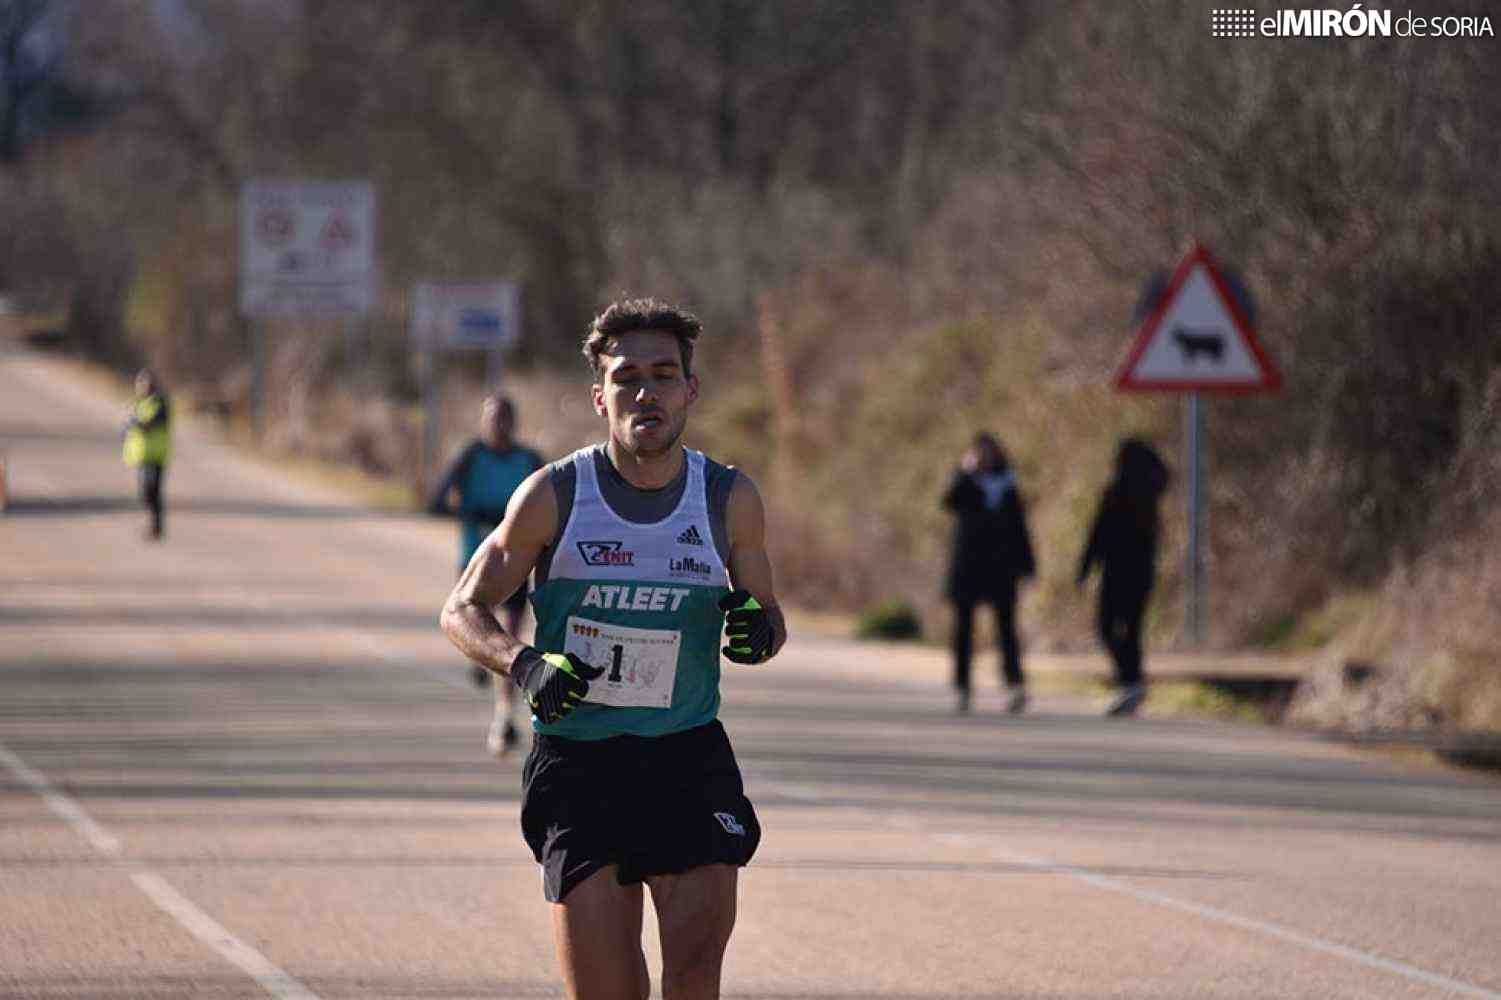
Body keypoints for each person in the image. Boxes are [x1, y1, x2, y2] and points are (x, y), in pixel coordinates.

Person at [439, 298, 785, 999]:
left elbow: (768, 617)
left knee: (693, 980)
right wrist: (525, 664)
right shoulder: (554, 496)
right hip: (580, 766)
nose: (645, 392)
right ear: (600, 397)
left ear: (690, 390)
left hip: (687, 756)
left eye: (663, 374)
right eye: (627, 377)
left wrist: (758, 633)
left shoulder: (727, 499)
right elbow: (461, 608)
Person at [428, 393, 545, 756]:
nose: (498, 425)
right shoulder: (469, 456)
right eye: (492, 418)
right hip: (476, 558)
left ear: (514, 422)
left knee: (509, 636)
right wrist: (470, 516)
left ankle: (503, 717)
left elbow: (554, 506)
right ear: (483, 421)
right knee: (478, 622)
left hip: (517, 560)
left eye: (505, 418)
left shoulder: (531, 461)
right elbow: (437, 500)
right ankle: (479, 657)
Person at [942, 433, 1037, 714]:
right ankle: (962, 686)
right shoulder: (964, 481)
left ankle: (1014, 684)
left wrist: (1027, 564)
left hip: (1001, 568)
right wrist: (964, 472)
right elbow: (948, 501)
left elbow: (1020, 527)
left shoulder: (1008, 484)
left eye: (989, 452)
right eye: (979, 453)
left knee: (1006, 629)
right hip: (967, 567)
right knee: (963, 629)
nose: (985, 458)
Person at [1077, 437, 1170, 717]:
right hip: (1143, 573)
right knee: (1132, 629)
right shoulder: (1151, 497)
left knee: (1107, 627)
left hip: (1116, 572)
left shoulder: (1116, 492)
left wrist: (1085, 568)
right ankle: (1133, 682)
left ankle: (1131, 680)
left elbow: (1099, 533)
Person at [122, 369, 172, 541]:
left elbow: (154, 423)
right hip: (141, 456)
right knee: (145, 493)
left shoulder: (160, 403)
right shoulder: (138, 404)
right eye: (141, 383)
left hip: (157, 455)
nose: (143, 387)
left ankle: (157, 527)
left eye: (146, 383)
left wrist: (141, 424)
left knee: (154, 491)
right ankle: (153, 525)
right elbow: (128, 427)